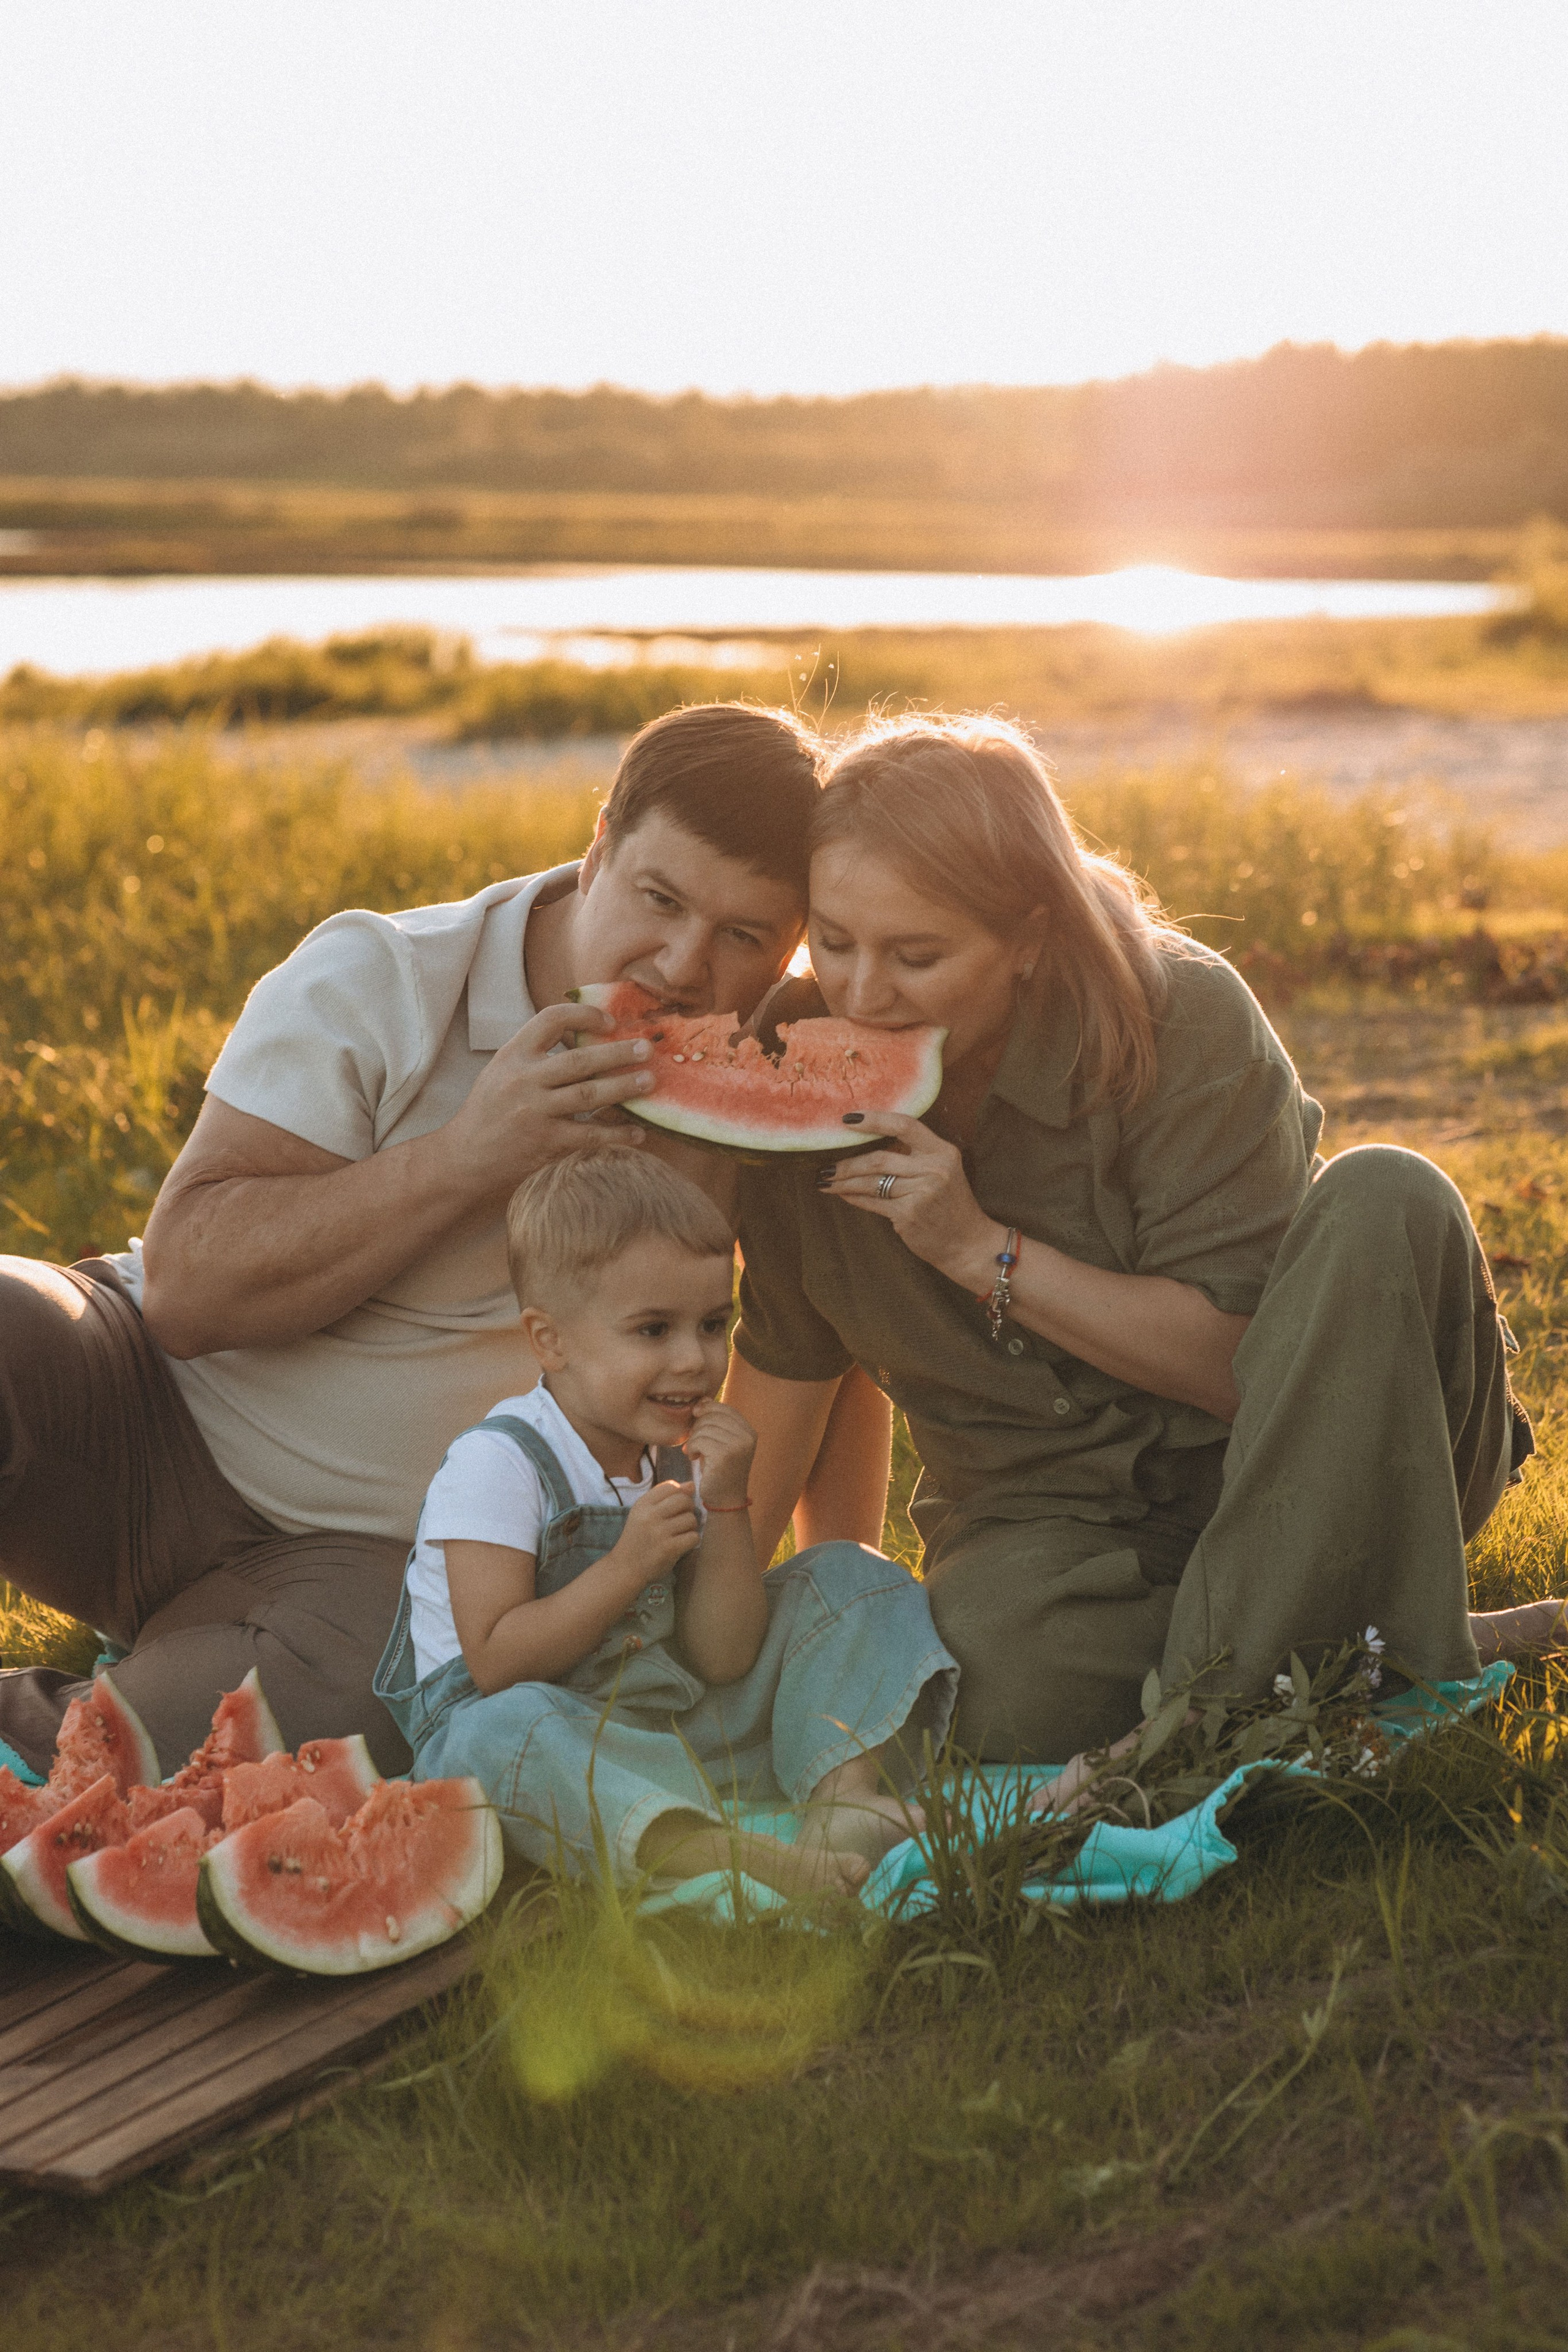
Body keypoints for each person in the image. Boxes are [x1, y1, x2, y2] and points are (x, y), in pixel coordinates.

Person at [0, 701, 873, 1780]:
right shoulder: (387, 975)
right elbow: (183, 1291)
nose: (685, 966)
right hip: (141, 1428)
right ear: (599, 843)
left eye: (744, 937)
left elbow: (828, 1342)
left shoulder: (760, 1077)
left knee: (354, 1716)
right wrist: (469, 1154)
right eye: (659, 899)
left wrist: (837, 1590)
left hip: (384, 1568)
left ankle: (59, 1725)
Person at [726, 714, 1565, 1790]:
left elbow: (1240, 1371)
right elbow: (783, 1398)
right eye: (833, 940)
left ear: (1029, 936)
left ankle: (1188, 1730)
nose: (861, 992)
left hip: (1332, 1445)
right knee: (983, 1678)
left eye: (917, 954)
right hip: (1055, 1541)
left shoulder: (1182, 1013)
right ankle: (1374, 1637)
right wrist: (694, 1653)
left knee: (1386, 1194)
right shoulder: (792, 1073)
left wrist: (981, 1250)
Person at [374, 1150, 956, 1896]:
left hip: (664, 1724)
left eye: (713, 1325)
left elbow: (721, 1657)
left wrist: (726, 1505)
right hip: (542, 1741)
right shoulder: (498, 1463)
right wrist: (627, 1566)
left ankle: (842, 1803)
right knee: (495, 1736)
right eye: (653, 1332)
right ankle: (742, 1859)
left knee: (849, 1573)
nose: (695, 1360)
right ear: (549, 1339)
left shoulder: (666, 1453)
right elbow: (494, 1663)